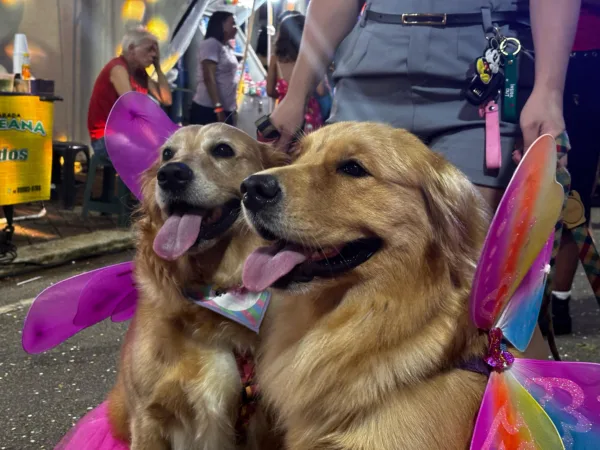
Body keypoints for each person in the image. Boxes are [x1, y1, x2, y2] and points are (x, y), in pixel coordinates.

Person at [267, 0, 579, 213]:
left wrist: (549, 91)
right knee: (339, 250)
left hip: (486, 76)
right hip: (372, 74)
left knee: (468, 263)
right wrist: (295, 96)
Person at [542, 2, 600, 336]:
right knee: (536, 189)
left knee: (576, 188)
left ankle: (558, 303)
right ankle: (537, 303)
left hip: (590, 64)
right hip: (532, 59)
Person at [87, 28, 172, 159]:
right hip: (105, 138)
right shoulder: (118, 68)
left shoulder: (140, 74)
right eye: (149, 49)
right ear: (132, 48)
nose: (154, 55)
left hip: (126, 136)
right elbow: (132, 107)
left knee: (167, 152)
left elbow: (166, 99)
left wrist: (158, 67)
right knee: (152, 156)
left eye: (156, 51)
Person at [266, 14, 327, 133]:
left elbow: (269, 91)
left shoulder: (276, 59)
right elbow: (321, 90)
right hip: (309, 114)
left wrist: (284, 94)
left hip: (284, 113)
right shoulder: (310, 58)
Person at [190, 11, 239, 126]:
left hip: (226, 108)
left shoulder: (226, 47)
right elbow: (209, 77)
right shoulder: (211, 44)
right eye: (232, 23)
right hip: (209, 109)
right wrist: (218, 108)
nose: (235, 27)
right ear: (221, 25)